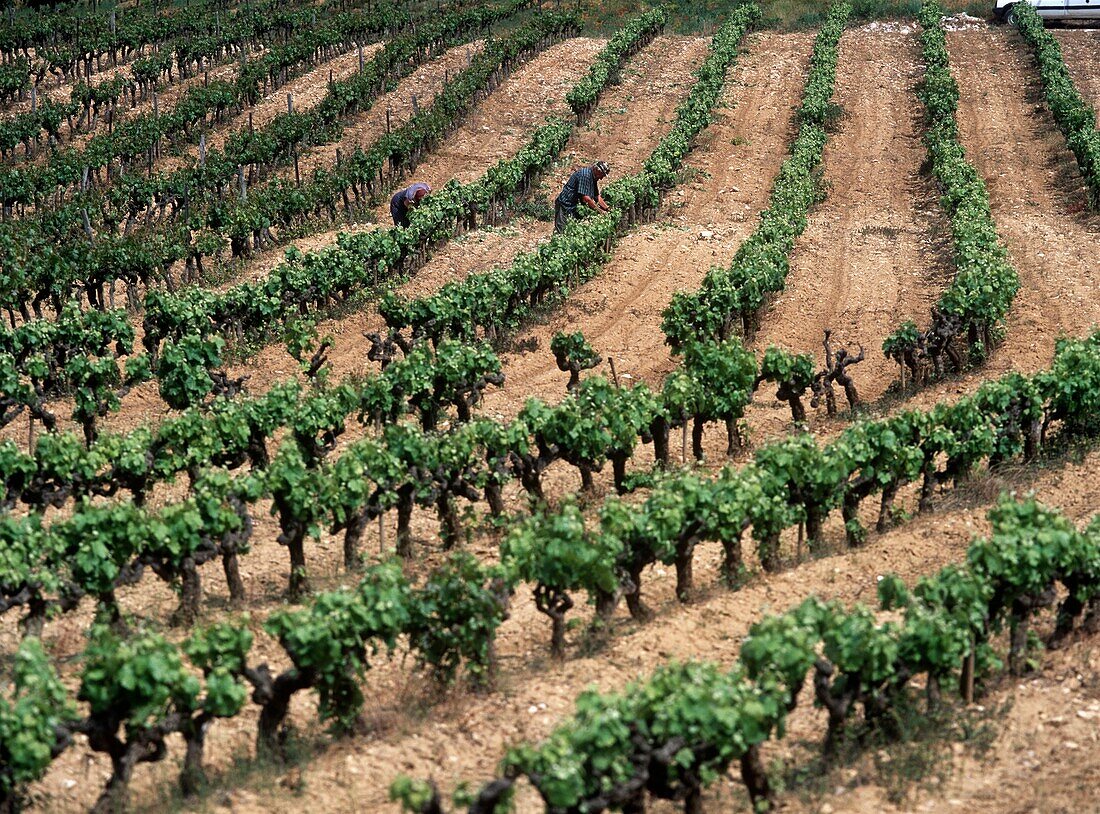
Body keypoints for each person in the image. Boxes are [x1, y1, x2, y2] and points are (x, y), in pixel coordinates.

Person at [554, 160, 610, 233]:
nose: (601, 178)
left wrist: (607, 209)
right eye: (602, 175)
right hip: (565, 205)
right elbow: (586, 199)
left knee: (571, 231)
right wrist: (600, 211)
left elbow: (597, 197)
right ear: (597, 170)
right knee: (561, 231)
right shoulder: (585, 175)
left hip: (573, 206)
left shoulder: (593, 177)